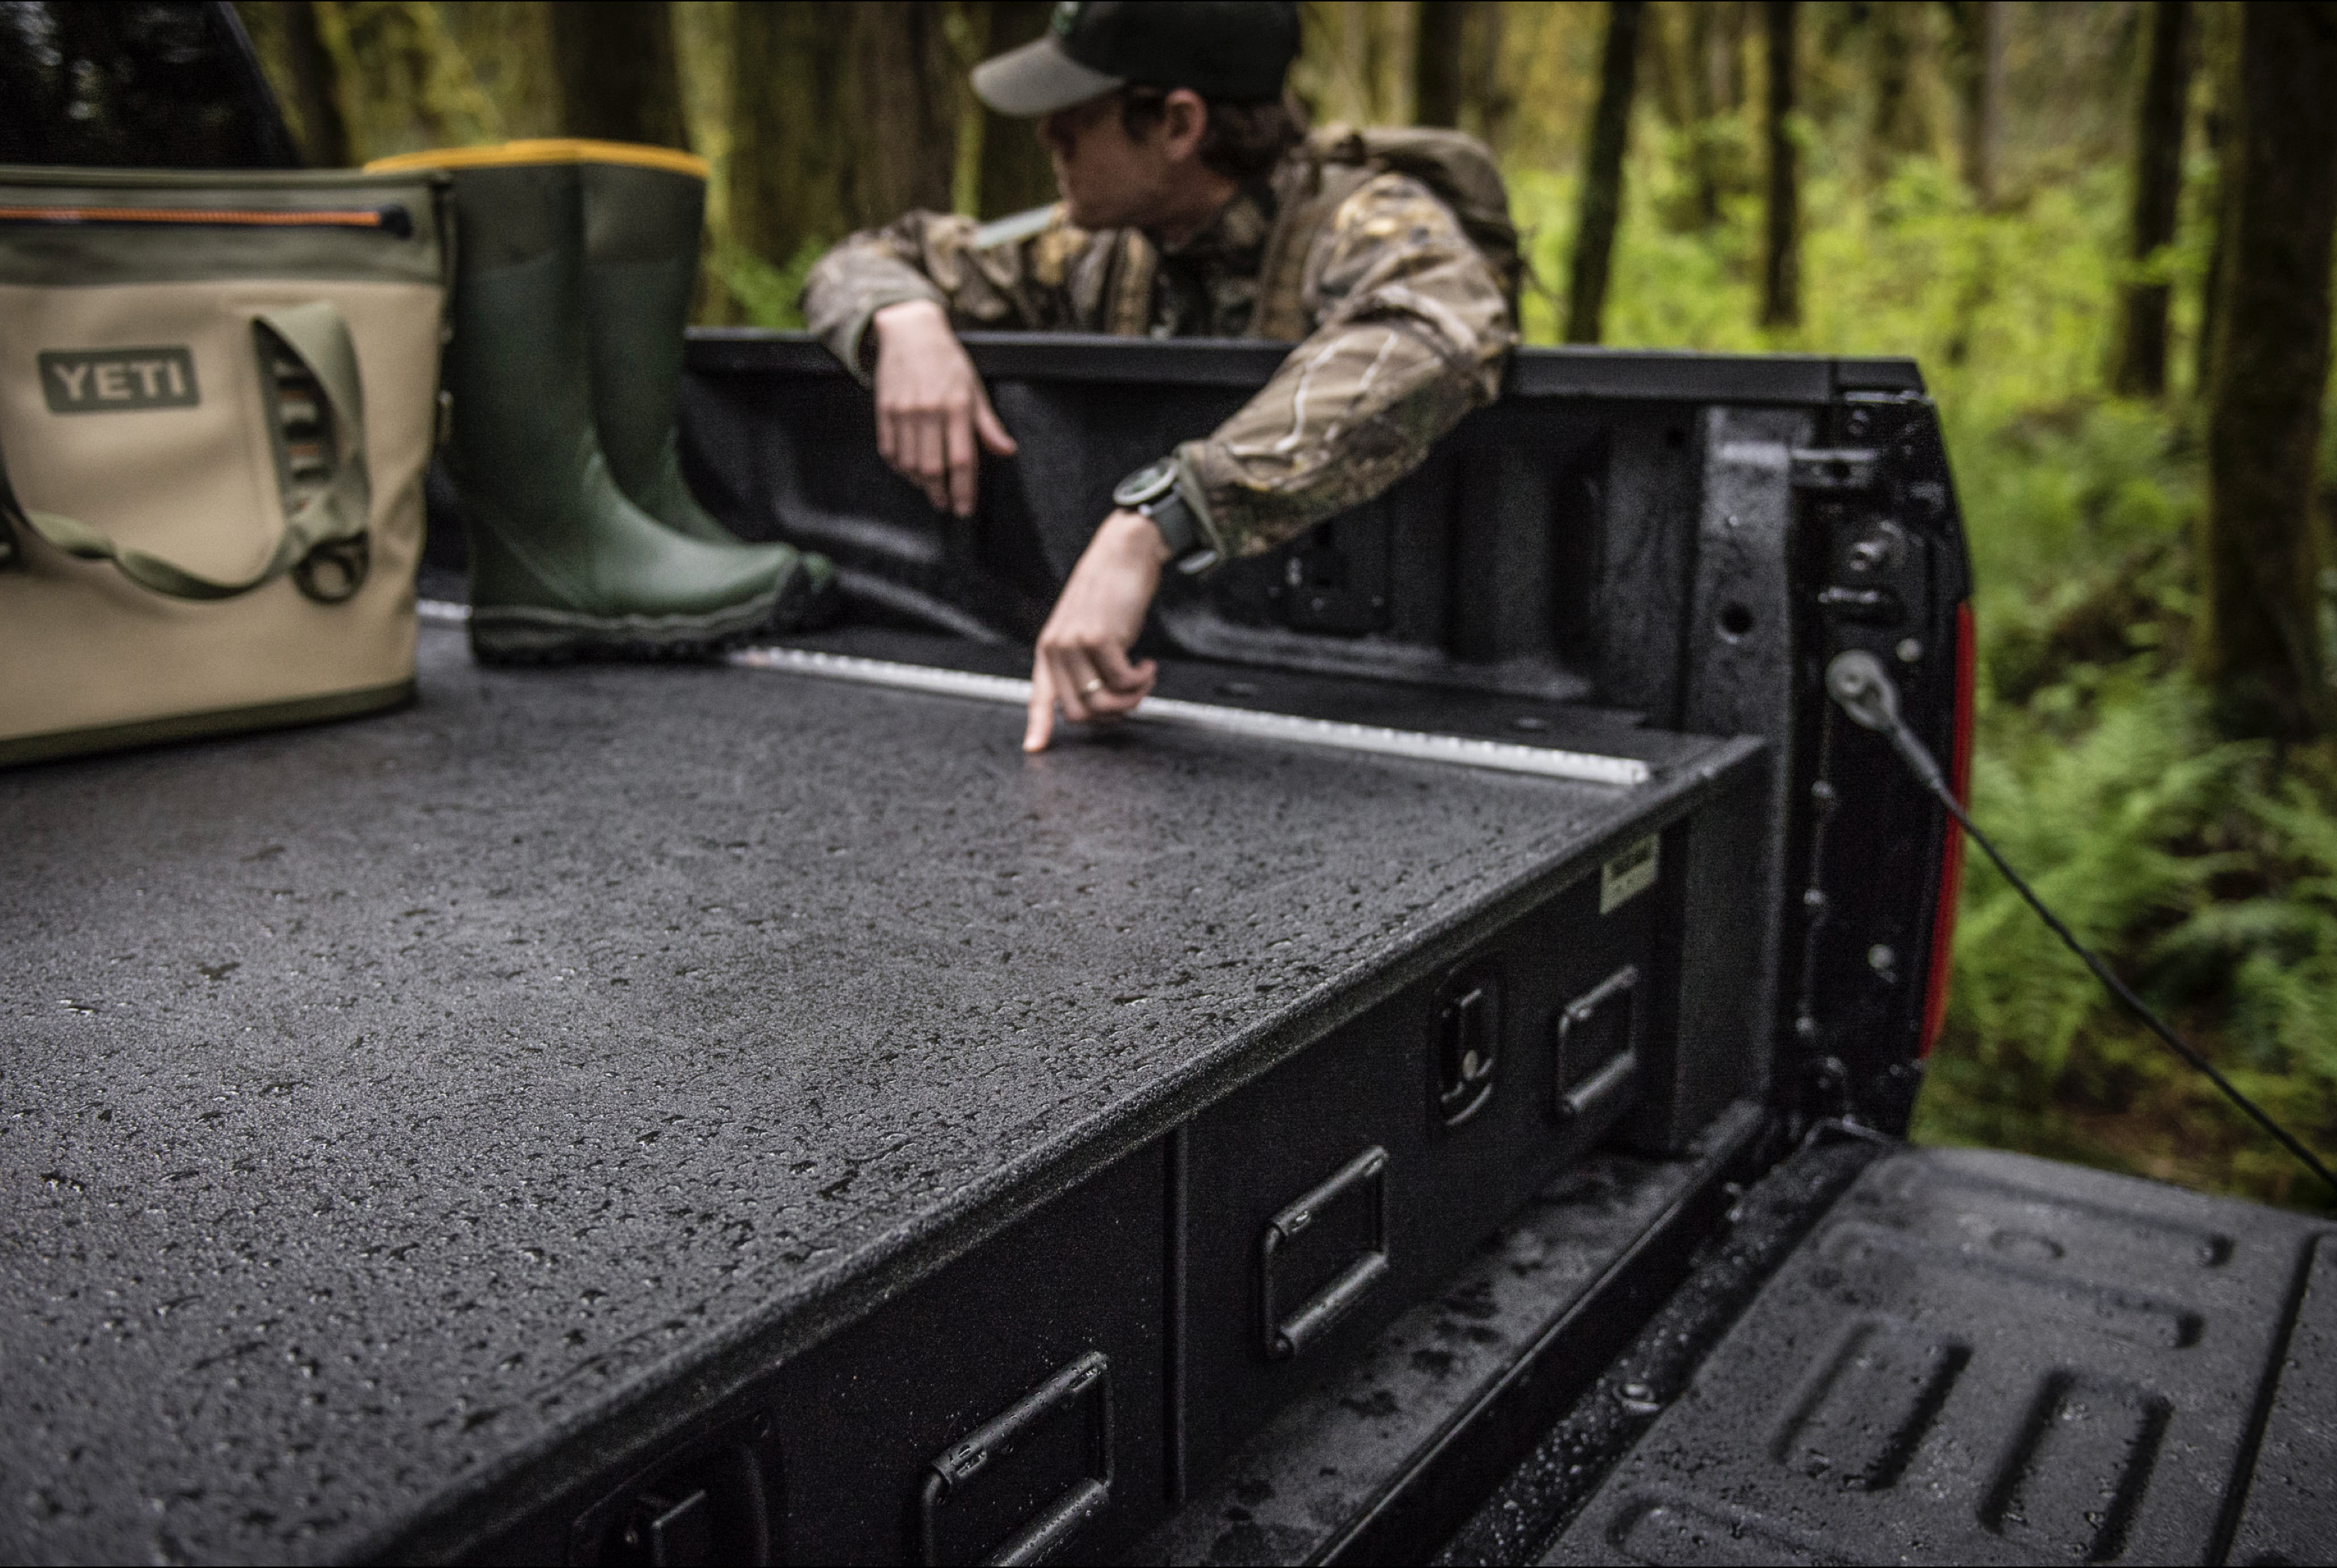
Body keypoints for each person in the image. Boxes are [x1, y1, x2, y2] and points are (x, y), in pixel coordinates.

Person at [802, 0, 1516, 750]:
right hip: (1164, 711)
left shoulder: (1369, 221)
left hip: (1372, 709)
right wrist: (904, 320)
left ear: (1179, 125)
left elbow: (1428, 332)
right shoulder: (1098, 248)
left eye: (1074, 115)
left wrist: (1156, 522)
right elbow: (865, 259)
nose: (1047, 136)